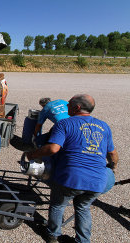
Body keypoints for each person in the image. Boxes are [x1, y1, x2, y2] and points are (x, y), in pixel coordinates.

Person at [25, 94, 119, 243]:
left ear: (77, 108)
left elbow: (53, 148)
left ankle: (53, 235)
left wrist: (33, 154)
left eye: (68, 104)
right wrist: (112, 168)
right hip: (97, 182)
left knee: (57, 205)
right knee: (83, 207)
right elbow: (112, 154)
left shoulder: (65, 124)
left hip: (70, 178)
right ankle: (82, 240)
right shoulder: (104, 126)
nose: (66, 107)